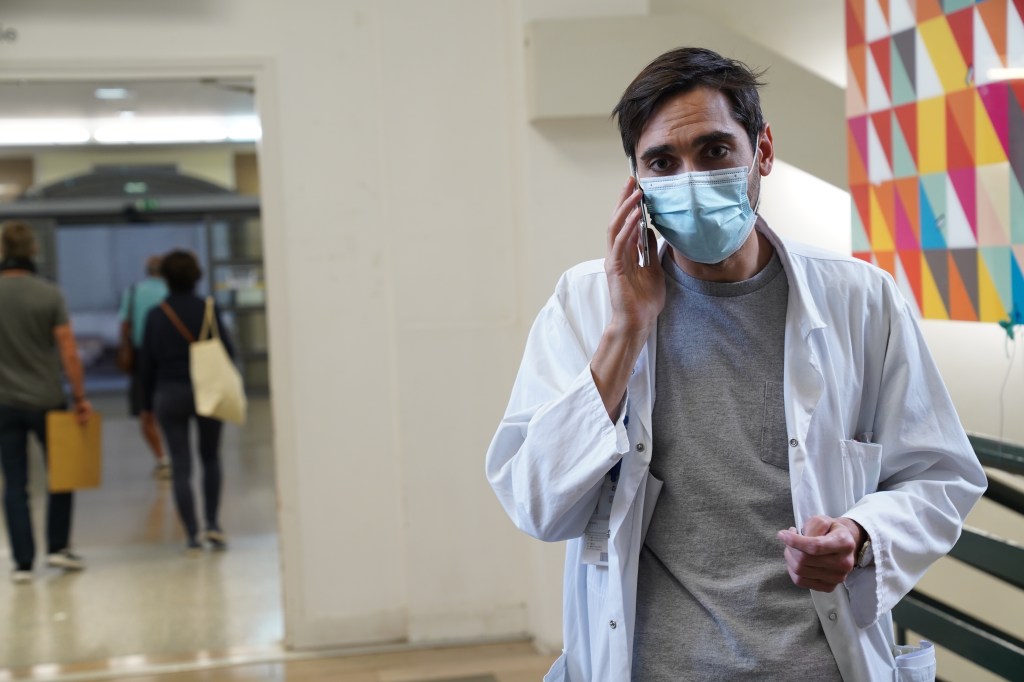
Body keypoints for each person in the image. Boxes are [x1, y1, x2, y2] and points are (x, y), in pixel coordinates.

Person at [485, 47, 987, 681]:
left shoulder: (860, 299)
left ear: (763, 151)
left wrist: (862, 534)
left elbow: (942, 475)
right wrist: (625, 332)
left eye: (715, 151)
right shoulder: (585, 306)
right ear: (636, 183)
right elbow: (535, 502)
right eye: (663, 163)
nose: (691, 179)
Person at [0, 221, 93, 583]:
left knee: (15, 483)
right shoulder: (50, 294)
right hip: (47, 400)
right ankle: (58, 547)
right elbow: (68, 348)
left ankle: (23, 563)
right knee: (62, 473)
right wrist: (80, 396)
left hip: (4, 403)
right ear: (32, 250)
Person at [139, 250, 233, 555]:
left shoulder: (156, 315)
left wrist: (145, 405)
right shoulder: (208, 309)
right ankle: (213, 524)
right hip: (208, 391)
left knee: (181, 465)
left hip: (170, 393)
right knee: (211, 458)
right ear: (197, 276)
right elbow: (228, 351)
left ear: (165, 277)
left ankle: (192, 535)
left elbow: (146, 363)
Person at [119, 255, 170, 479]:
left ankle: (162, 459)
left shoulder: (132, 292)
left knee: (146, 412)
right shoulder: (171, 293)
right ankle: (177, 454)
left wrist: (125, 349)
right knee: (173, 409)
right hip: (169, 357)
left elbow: (124, 325)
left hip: (142, 359)